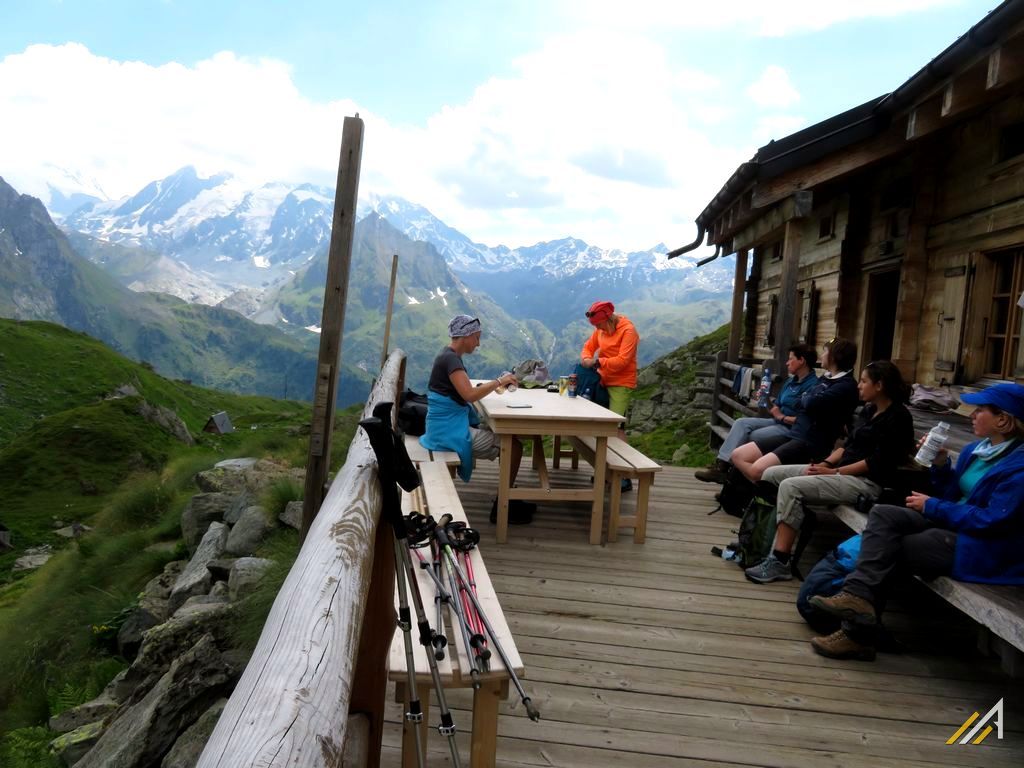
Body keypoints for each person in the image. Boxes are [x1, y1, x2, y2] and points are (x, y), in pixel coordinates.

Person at [808, 382, 1024, 661]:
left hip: (985, 547)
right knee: (884, 513)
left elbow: (993, 520)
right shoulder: (976, 451)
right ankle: (857, 598)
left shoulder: (1018, 467)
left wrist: (933, 506)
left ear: (1004, 420)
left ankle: (856, 635)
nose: (971, 415)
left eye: (980, 410)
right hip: (953, 527)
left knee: (896, 546)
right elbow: (952, 495)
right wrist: (942, 466)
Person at [744, 360, 915, 584]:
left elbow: (875, 462)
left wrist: (834, 473)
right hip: (839, 472)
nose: (859, 386)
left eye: (864, 381)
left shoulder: (898, 417)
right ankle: (760, 543)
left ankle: (780, 561)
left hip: (865, 483)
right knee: (770, 474)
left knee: (790, 486)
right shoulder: (869, 409)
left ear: (880, 385)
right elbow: (846, 446)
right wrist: (825, 464)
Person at [731, 337, 860, 484]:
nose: (822, 356)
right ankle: (766, 488)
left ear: (835, 356)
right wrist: (807, 399)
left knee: (756, 470)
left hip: (809, 443)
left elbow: (810, 402)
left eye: (825, 352)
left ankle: (772, 491)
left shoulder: (845, 385)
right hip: (794, 435)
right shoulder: (826, 379)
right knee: (738, 455)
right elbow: (803, 402)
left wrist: (807, 398)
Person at [420, 315, 522, 486]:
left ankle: (506, 490)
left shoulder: (447, 355)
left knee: (506, 435)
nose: (478, 343)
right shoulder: (451, 359)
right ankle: (506, 499)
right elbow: (469, 395)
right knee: (515, 446)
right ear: (466, 336)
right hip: (448, 432)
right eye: (477, 338)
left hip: (440, 428)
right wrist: (499, 382)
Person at [696, 344, 819, 484]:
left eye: (790, 359)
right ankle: (722, 466)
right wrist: (763, 399)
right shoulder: (791, 381)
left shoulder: (813, 386)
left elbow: (806, 420)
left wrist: (782, 416)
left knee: (753, 436)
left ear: (801, 360)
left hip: (791, 430)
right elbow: (776, 407)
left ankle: (735, 482)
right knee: (741, 423)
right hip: (777, 422)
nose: (787, 362)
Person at [580, 300, 640, 490]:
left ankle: (624, 476)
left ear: (608, 318)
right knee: (603, 427)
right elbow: (588, 346)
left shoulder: (628, 331)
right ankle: (607, 473)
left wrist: (599, 363)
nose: (597, 328)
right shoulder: (601, 329)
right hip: (603, 380)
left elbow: (623, 361)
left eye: (599, 324)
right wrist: (587, 359)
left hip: (621, 383)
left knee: (616, 428)